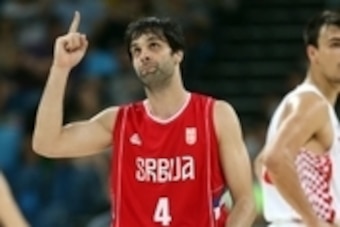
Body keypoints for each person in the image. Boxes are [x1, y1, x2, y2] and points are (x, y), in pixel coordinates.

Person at [32, 12, 256, 226]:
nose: (144, 55)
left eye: (154, 45)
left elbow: (246, 202)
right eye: (136, 51)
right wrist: (60, 68)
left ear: (177, 54)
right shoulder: (119, 120)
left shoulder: (216, 114)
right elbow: (46, 143)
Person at [255, 10, 340, 227]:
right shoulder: (311, 103)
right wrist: (313, 220)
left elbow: (261, 162)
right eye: (335, 44)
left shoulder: (305, 102)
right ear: (313, 53)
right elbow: (274, 159)